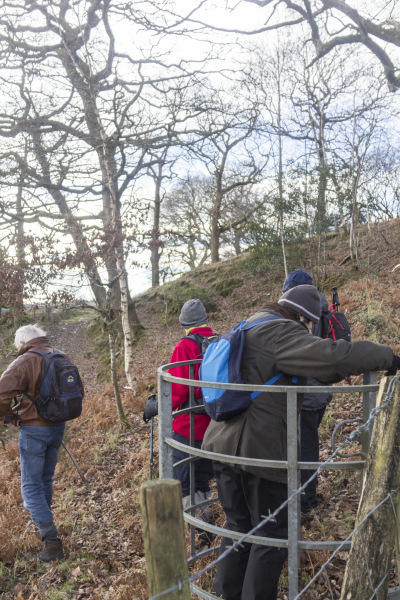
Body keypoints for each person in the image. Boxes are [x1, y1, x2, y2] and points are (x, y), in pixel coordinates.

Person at [202, 285, 400, 600]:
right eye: (310, 325)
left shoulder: (251, 323)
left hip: (221, 443)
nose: (310, 331)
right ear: (302, 317)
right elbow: (331, 357)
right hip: (258, 452)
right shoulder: (282, 332)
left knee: (237, 528)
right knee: (271, 537)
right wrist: (386, 357)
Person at [0, 324, 82, 562]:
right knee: (44, 481)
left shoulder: (25, 361)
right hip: (58, 427)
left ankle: (51, 540)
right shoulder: (61, 355)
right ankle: (46, 533)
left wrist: (7, 416)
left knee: (30, 487)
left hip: (34, 431)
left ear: (23, 343)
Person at [281, 269, 332, 515]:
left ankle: (305, 500)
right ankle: (303, 495)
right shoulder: (322, 308)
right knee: (306, 443)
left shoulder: (305, 314)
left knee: (305, 445)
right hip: (320, 389)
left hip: (307, 391)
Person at [168, 299, 216, 546]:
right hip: (216, 425)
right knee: (203, 477)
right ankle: (207, 525)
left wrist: (161, 403)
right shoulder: (218, 342)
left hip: (189, 427)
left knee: (185, 481)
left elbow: (177, 392)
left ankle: (201, 533)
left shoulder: (185, 346)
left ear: (184, 323)